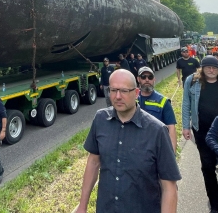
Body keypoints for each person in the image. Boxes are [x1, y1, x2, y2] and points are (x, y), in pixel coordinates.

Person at [76, 69, 180, 213]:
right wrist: (82, 206)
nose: (118, 96)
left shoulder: (157, 130)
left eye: (124, 91)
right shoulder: (100, 120)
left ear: (136, 93)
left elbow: (169, 186)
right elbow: (93, 162)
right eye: (113, 90)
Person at [182, 55, 218, 213]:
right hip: (202, 131)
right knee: (207, 167)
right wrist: (186, 126)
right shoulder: (192, 81)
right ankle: (215, 203)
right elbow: (186, 103)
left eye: (214, 68)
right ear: (202, 68)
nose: (211, 70)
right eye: (208, 67)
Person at [137, 66, 177, 152]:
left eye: (150, 77)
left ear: (154, 79)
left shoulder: (163, 101)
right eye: (143, 77)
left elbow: (171, 128)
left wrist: (172, 155)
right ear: (138, 79)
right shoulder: (132, 99)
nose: (147, 80)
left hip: (156, 148)